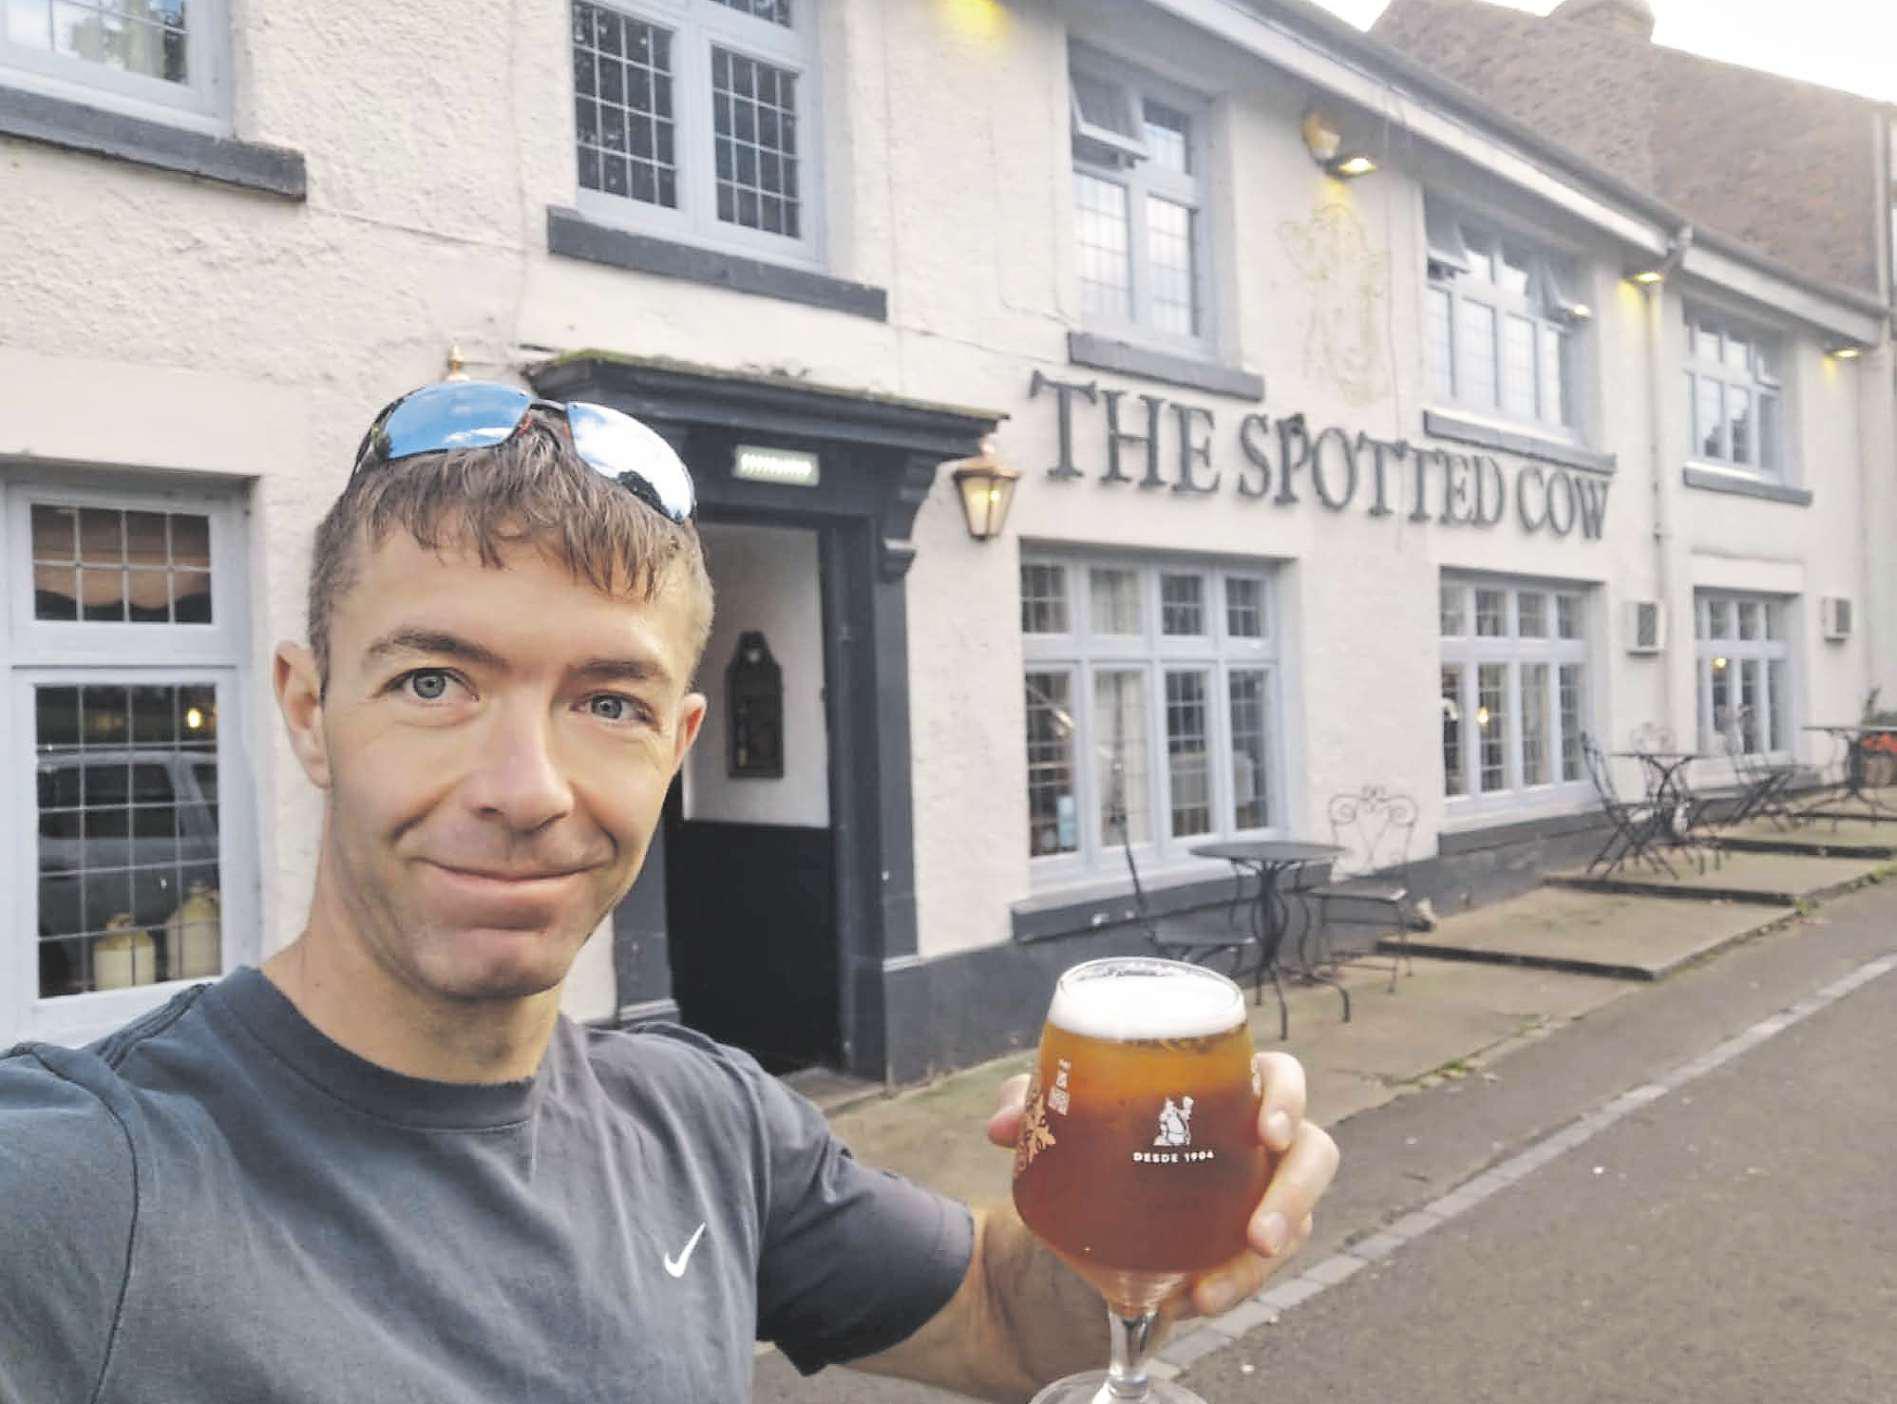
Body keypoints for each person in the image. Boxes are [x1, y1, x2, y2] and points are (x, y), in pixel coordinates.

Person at [0, 382, 1339, 1402]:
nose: (525, 787)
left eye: (607, 700)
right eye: (432, 682)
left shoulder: (706, 1118)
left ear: (678, 747)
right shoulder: (84, 1182)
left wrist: (1136, 1244)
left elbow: (1002, 1306)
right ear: (307, 712)